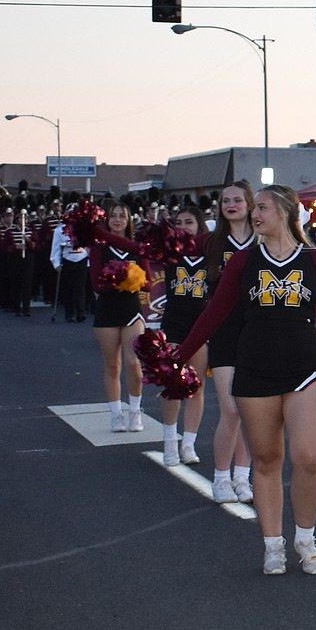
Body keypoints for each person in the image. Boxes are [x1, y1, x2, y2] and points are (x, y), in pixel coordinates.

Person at [175, 185, 316, 577]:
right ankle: (273, 545)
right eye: (254, 209)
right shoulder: (243, 262)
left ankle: (304, 537)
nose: (254, 215)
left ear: (284, 211)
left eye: (261, 208)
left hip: (305, 365)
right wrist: (176, 359)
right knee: (265, 459)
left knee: (308, 458)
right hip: (255, 365)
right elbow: (213, 315)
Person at [202, 182, 257, 503]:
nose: (231, 205)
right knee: (231, 409)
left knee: (250, 411)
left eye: (238, 200)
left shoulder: (264, 239)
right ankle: (221, 478)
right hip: (223, 332)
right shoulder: (211, 242)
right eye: (226, 200)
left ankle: (242, 477)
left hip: (257, 334)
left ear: (251, 204)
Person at [158, 205, 211, 467]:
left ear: (201, 226)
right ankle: (169, 442)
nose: (183, 227)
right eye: (178, 222)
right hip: (174, 325)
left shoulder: (210, 255)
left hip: (200, 326)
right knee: (173, 386)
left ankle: (188, 444)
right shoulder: (171, 254)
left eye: (189, 222)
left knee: (196, 387)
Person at [90, 201, 149, 432]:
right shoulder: (99, 248)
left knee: (134, 363)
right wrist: (117, 279)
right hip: (106, 310)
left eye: (121, 216)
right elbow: (96, 283)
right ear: (107, 220)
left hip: (132, 310)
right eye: (113, 216)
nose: (117, 220)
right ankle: (116, 415)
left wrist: (133, 278)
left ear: (128, 220)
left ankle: (135, 411)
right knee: (112, 365)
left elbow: (147, 284)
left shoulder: (136, 247)